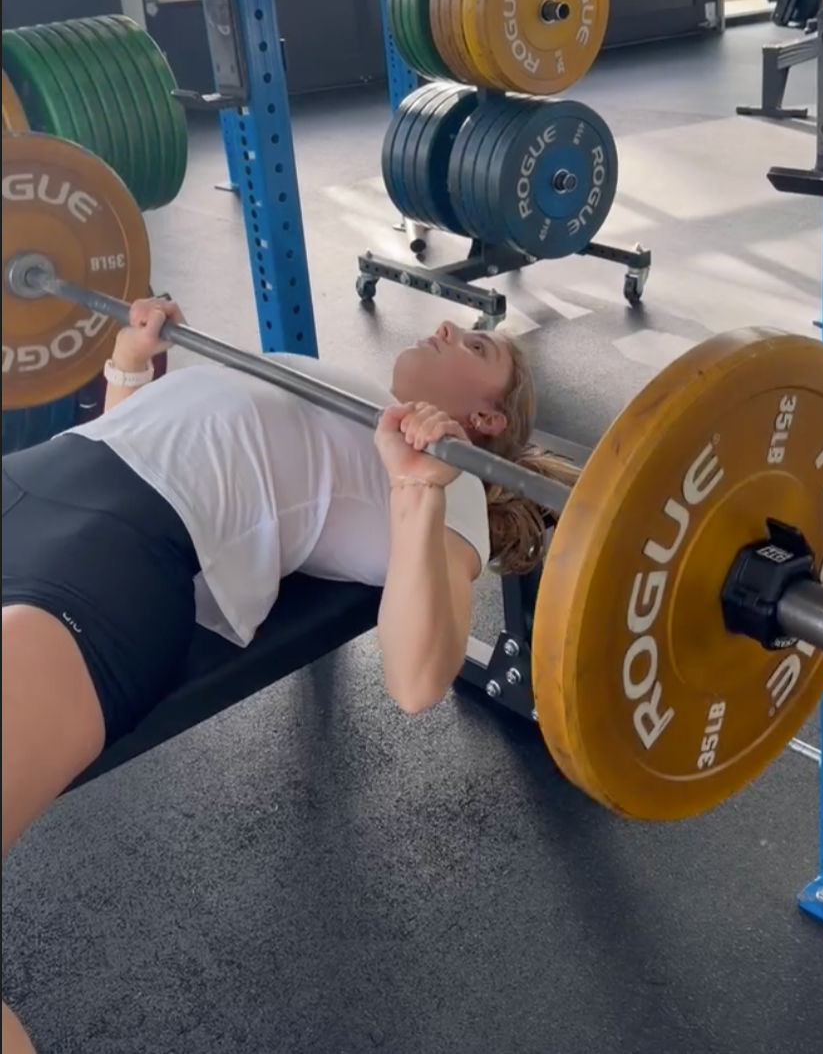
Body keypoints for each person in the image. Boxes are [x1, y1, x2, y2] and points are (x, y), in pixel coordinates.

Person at [2, 297, 576, 1054]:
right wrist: (132, 364)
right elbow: (140, 438)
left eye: (475, 342)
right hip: (43, 480)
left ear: (489, 419)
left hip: (112, 556)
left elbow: (417, 676)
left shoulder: (451, 479)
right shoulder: (347, 390)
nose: (445, 325)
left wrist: (416, 488)